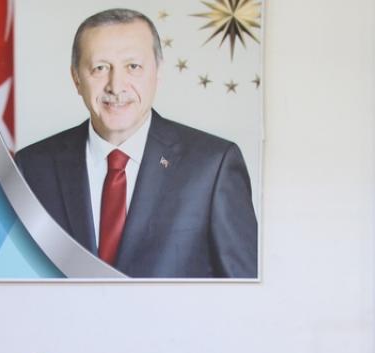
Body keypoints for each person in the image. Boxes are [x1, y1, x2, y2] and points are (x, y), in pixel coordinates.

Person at [14, 8, 257, 279]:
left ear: (158, 72)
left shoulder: (213, 167)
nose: (116, 86)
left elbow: (245, 292)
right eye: (100, 68)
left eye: (133, 67)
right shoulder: (31, 168)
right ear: (76, 78)